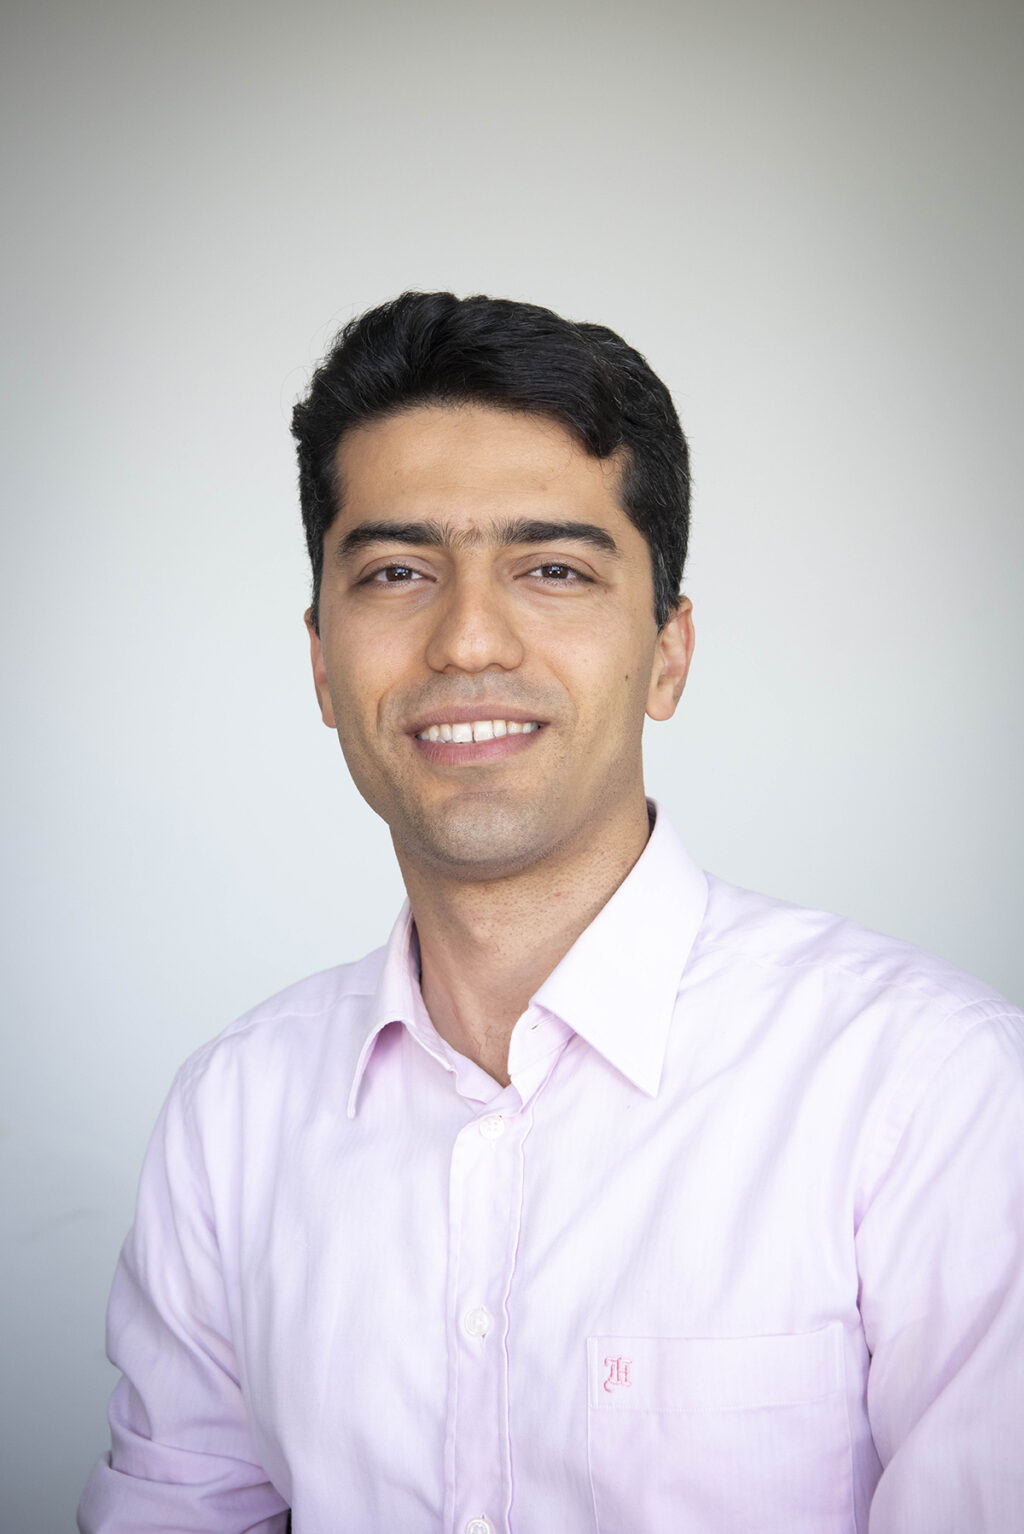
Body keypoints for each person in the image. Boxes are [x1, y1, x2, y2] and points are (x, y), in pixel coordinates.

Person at [79, 292, 1024, 1534]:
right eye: (398, 572)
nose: (468, 640)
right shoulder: (232, 1120)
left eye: (553, 570)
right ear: (321, 661)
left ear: (668, 652)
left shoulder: (931, 1095)